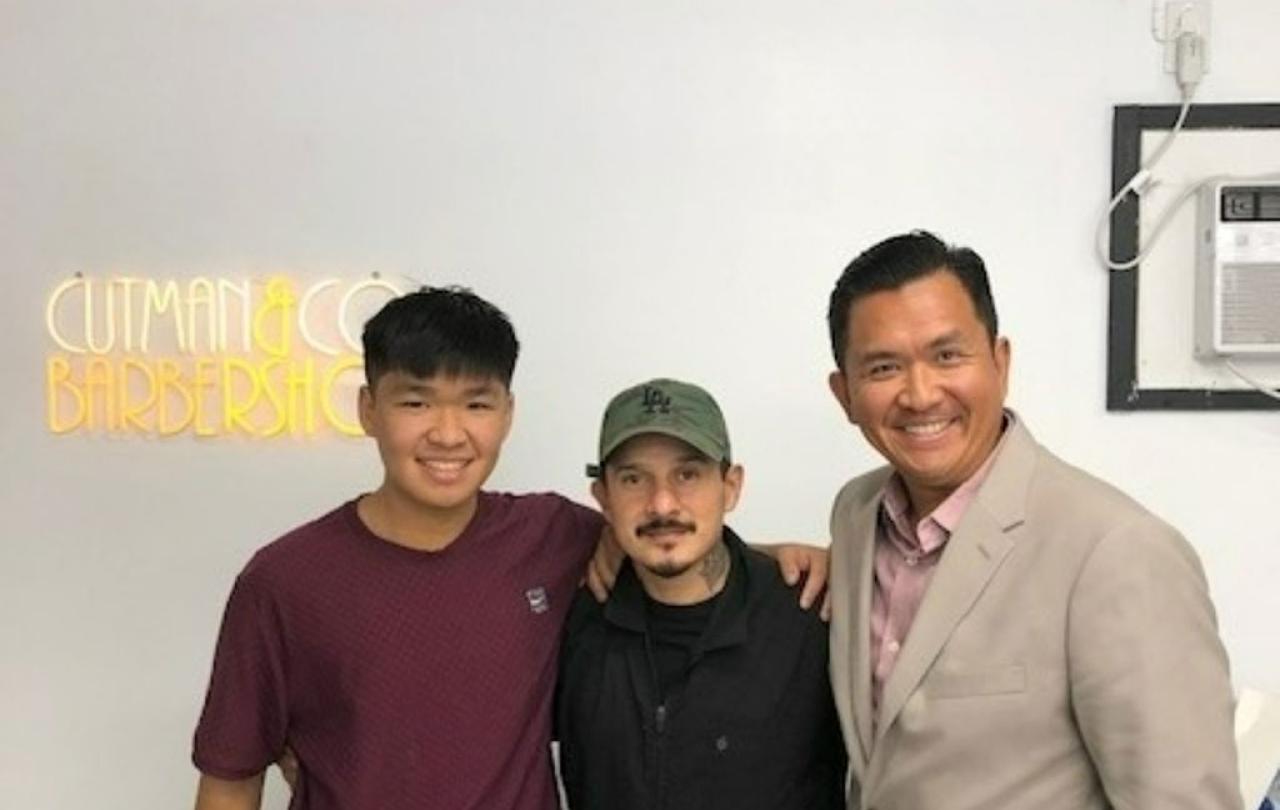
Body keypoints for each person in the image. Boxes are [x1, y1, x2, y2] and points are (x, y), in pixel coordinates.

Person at [191, 287, 827, 810]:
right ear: (367, 408)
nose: (448, 433)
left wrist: (793, 557)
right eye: (415, 402)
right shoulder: (285, 582)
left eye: (475, 403)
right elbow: (229, 781)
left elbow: (669, 536)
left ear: (507, 413)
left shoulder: (550, 536)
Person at [822, 231, 1241, 810]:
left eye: (947, 356)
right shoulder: (855, 516)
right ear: (844, 394)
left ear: (1000, 363)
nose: (920, 395)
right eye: (884, 367)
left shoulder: (1116, 550)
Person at [556, 378, 845, 810]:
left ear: (731, 486)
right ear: (604, 498)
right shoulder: (568, 620)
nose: (663, 504)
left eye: (688, 474)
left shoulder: (815, 614)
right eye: (634, 479)